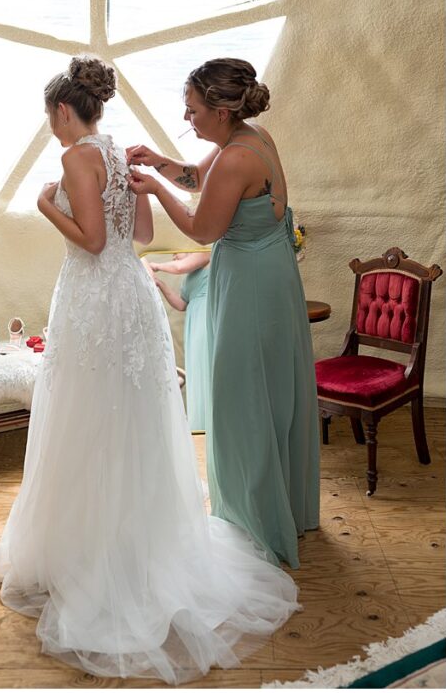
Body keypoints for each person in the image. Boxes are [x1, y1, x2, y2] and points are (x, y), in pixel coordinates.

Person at [0, 55, 299, 683]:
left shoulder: (78, 158)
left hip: (93, 299)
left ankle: (89, 551)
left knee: (85, 417)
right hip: (129, 296)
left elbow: (95, 240)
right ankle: (139, 540)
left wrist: (47, 207)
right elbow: (143, 232)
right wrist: (151, 180)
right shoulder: (113, 152)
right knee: (130, 416)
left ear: (59, 110)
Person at [128, 57, 319, 568]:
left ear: (220, 109)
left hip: (252, 284)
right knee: (270, 389)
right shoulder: (249, 139)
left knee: (243, 396)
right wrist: (157, 162)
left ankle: (253, 517)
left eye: (192, 109)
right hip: (270, 273)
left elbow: (202, 227)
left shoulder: (236, 158)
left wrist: (154, 188)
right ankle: (283, 506)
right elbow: (197, 177)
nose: (186, 118)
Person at [145, 251, 212, 431]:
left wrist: (156, 266)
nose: (174, 255)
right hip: (193, 318)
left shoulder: (205, 255)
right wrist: (160, 284)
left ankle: (210, 423)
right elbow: (182, 304)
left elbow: (180, 266)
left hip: (205, 316)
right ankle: (199, 422)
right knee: (196, 369)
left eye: (177, 252)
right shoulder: (189, 277)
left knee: (206, 366)